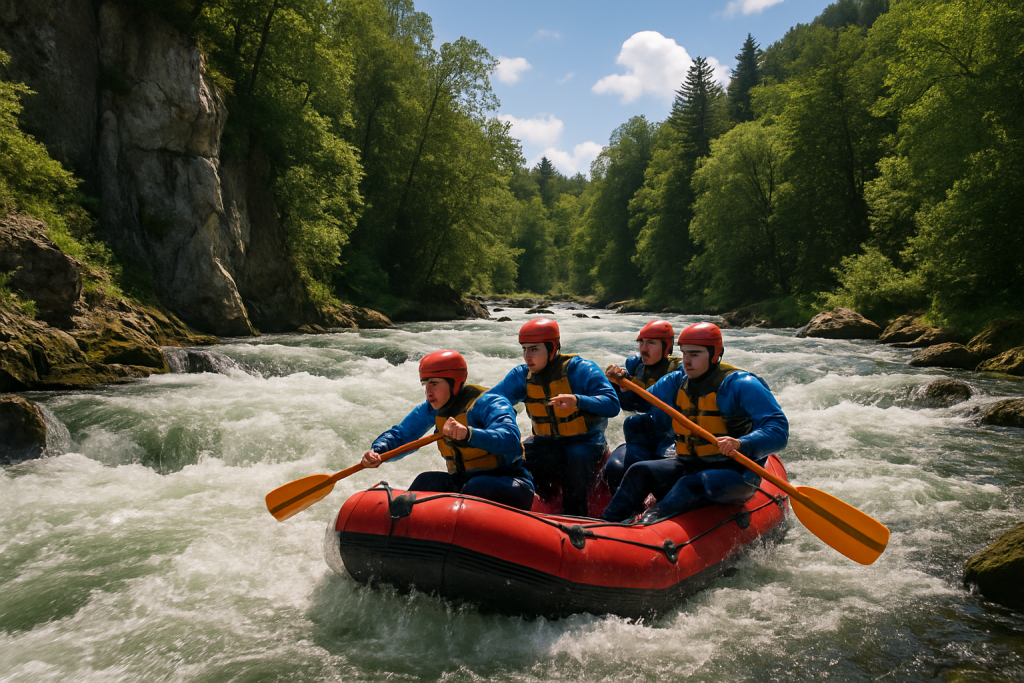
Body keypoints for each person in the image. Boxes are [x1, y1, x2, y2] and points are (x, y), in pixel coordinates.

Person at [601, 322, 788, 524]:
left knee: (692, 484)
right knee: (640, 471)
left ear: (715, 354)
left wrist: (742, 443)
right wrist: (622, 384)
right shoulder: (677, 380)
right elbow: (642, 402)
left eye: (695, 354)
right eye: (685, 354)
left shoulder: (741, 385)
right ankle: (608, 524)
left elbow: (778, 429)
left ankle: (649, 524)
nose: (687, 362)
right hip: (689, 464)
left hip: (734, 474)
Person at [361, 349, 535, 510]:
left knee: (477, 486)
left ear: (454, 383)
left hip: (509, 482)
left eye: (434, 384)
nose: (428, 392)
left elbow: (510, 440)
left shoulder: (490, 402)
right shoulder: (432, 408)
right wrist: (378, 451)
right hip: (462, 482)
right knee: (425, 481)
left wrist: (469, 434)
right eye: (425, 384)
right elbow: (402, 435)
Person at [488, 318, 620, 516]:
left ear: (552, 348)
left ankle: (575, 517)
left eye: (534, 349)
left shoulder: (580, 369)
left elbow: (612, 404)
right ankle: (532, 506)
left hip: (586, 442)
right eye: (524, 349)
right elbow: (489, 402)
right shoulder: (521, 376)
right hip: (546, 442)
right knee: (514, 454)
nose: (527, 356)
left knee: (576, 456)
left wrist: (578, 400)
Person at [602, 320, 681, 492]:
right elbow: (632, 406)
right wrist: (620, 385)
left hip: (676, 440)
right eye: (641, 342)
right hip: (649, 436)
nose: (643, 349)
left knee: (663, 478)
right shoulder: (636, 366)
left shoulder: (683, 372)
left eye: (651, 343)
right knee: (615, 469)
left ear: (667, 347)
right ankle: (628, 512)